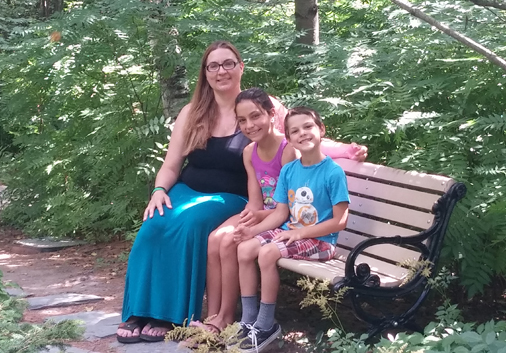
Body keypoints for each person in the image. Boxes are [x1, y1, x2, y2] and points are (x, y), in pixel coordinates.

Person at [116, 41, 366, 343]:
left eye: (228, 63)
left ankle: (170, 315)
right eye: (213, 66)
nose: (221, 71)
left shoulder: (260, 104)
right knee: (153, 226)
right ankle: (139, 311)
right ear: (205, 73)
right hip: (186, 189)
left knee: (190, 224)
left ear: (240, 67)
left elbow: (295, 136)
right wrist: (158, 190)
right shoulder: (192, 112)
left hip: (231, 197)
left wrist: (347, 150)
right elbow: (171, 165)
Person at [233, 107, 350, 353]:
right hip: (291, 232)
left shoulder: (333, 172)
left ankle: (266, 326)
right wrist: (252, 232)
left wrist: (299, 233)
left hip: (321, 241)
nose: (303, 133)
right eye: (295, 131)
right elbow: (279, 213)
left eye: (308, 126)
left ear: (321, 130)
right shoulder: (289, 170)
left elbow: (340, 222)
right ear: (289, 137)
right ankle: (248, 320)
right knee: (244, 249)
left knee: (267, 253)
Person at [191, 87, 297, 334]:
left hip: (287, 219)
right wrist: (248, 218)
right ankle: (214, 315)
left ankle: (226, 318)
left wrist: (254, 225)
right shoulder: (250, 152)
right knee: (216, 238)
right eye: (242, 120)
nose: (249, 125)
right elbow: (255, 200)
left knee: (229, 242)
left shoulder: (288, 151)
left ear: (272, 115)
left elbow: (290, 208)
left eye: (256, 116)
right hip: (266, 215)